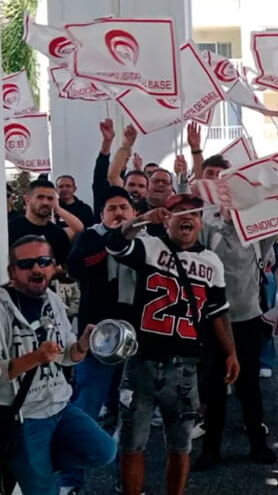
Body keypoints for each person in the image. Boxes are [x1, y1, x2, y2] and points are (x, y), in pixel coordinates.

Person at [106, 194, 239, 495]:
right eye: (179, 212)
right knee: (132, 444)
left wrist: (231, 352)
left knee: (181, 445)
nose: (187, 217)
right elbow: (115, 243)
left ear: (201, 223)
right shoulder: (150, 247)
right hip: (142, 362)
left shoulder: (212, 262)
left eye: (194, 213)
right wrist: (142, 219)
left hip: (184, 368)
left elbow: (218, 312)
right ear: (167, 219)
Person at [0, 236, 115, 495]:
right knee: (42, 490)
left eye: (44, 262)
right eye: (26, 264)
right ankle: (32, 466)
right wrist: (35, 358)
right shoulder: (2, 308)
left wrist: (82, 346)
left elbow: (65, 355)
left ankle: (33, 464)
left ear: (53, 266)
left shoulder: (51, 300)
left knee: (102, 451)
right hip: (24, 417)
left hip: (60, 406)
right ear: (12, 271)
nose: (37, 269)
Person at [58, 187, 137, 494]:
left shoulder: (145, 239)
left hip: (134, 342)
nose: (119, 213)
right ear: (102, 214)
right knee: (85, 410)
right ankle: (69, 482)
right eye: (112, 208)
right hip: (97, 341)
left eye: (124, 207)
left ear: (133, 212)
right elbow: (78, 267)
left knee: (130, 416)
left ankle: (126, 481)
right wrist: (114, 239)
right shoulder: (91, 236)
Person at [193, 204, 278, 471]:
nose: (234, 206)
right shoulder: (210, 228)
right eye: (228, 201)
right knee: (214, 388)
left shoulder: (258, 233)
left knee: (249, 387)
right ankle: (211, 449)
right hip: (213, 321)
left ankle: (258, 444)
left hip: (248, 320)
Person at [9, 179, 83, 267]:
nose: (45, 202)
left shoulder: (58, 234)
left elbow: (62, 266)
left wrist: (58, 209)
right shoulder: (10, 230)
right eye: (40, 197)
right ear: (27, 200)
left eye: (50, 198)